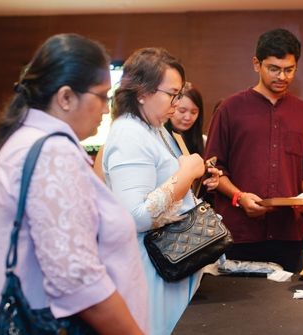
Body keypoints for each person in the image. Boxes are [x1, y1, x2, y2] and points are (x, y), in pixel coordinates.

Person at [0, 33, 147, 334]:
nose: (105, 109)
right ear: (65, 97)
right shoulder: (52, 153)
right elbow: (78, 281)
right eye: (102, 96)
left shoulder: (27, 140)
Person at [101, 47, 221, 335]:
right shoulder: (129, 133)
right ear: (142, 92)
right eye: (172, 94)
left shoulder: (154, 128)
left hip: (166, 263)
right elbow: (137, 216)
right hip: (149, 266)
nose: (176, 103)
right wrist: (187, 172)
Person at [204, 28, 303, 272]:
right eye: (274, 69)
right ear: (257, 64)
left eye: (289, 70)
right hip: (239, 234)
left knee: (286, 308)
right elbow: (214, 169)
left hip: (288, 234)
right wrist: (239, 197)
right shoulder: (229, 109)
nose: (282, 76)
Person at [164, 82, 205, 156]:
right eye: (182, 111)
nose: (188, 117)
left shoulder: (204, 141)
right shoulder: (160, 138)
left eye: (194, 112)